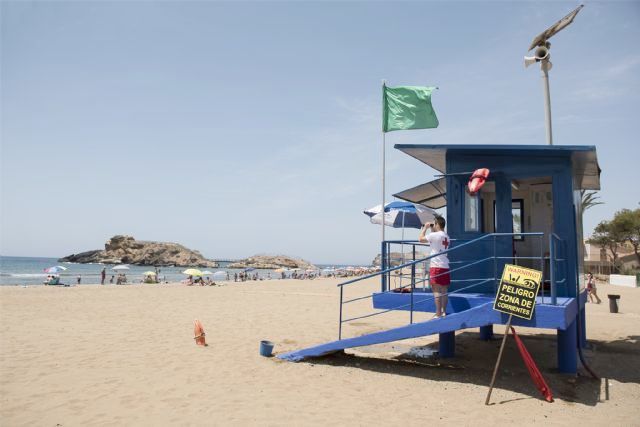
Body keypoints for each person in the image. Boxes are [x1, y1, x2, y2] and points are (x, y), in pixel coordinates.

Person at [419, 216, 451, 318]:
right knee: (444, 291)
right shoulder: (446, 236)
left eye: (434, 223)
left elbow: (421, 239)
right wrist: (432, 229)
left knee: (436, 291)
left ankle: (438, 313)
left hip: (436, 266)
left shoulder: (434, 235)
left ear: (437, 224)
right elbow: (436, 241)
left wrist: (425, 228)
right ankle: (444, 312)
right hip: (445, 266)